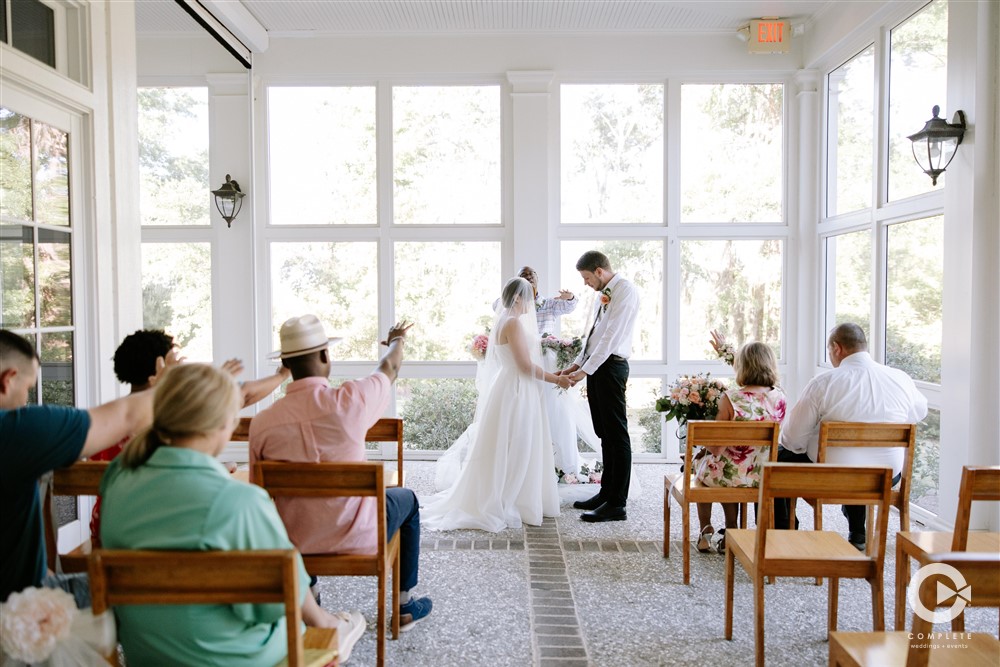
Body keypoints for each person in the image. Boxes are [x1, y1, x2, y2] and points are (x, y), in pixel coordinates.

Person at [100, 363, 364, 665]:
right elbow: (274, 606)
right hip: (234, 658)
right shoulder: (240, 502)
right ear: (223, 424)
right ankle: (331, 625)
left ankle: (331, 624)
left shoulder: (117, 480)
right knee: (299, 587)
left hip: (146, 655)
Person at [249, 315, 434, 631]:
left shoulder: (263, 422)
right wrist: (396, 340)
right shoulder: (352, 400)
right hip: (360, 537)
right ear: (324, 356)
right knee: (409, 500)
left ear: (286, 364)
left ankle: (310, 595)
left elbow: (259, 495)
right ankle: (403, 604)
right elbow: (389, 369)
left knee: (295, 513)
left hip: (294, 543)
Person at [0, 329, 176, 604]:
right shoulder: (18, 431)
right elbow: (129, 415)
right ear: (7, 380)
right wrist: (167, 388)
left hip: (38, 582)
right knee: (153, 582)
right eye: (28, 389)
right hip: (20, 609)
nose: (26, 400)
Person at [88, 328, 290, 545]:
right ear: (161, 369)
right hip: (174, 527)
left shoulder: (107, 423)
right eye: (177, 362)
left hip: (113, 532)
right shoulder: (167, 416)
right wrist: (282, 375)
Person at [422, 277, 571, 531]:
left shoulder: (504, 320)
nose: (531, 303)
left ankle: (511, 493)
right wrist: (556, 379)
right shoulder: (512, 323)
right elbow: (525, 366)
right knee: (519, 442)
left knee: (508, 441)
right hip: (516, 388)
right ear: (516, 298)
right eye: (528, 297)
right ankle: (512, 497)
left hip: (507, 385)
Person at [776, 323, 928, 549]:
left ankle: (783, 534)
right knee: (859, 462)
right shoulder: (900, 378)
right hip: (887, 476)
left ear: (837, 348)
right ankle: (858, 533)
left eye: (829, 352)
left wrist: (809, 442)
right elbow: (919, 412)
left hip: (833, 476)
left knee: (777, 457)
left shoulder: (824, 383)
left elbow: (792, 437)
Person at [559, 251, 640, 522]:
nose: (585, 283)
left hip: (611, 367)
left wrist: (585, 371)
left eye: (586, 278)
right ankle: (605, 493)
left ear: (599, 271)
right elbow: (593, 336)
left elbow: (611, 336)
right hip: (597, 365)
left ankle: (617, 503)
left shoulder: (625, 291)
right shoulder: (601, 295)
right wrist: (576, 364)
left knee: (617, 435)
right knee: (604, 432)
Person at [695, 341, 787, 553]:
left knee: (704, 465)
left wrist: (701, 444)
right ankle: (731, 529)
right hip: (762, 475)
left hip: (729, 476)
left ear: (742, 366)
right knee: (726, 468)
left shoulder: (731, 398)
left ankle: (705, 529)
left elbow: (717, 448)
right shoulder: (779, 397)